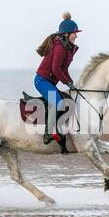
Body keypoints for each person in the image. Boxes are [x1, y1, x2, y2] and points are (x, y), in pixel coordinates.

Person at [34, 11, 80, 150]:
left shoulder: (65, 46)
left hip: (49, 82)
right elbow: (55, 69)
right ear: (66, 34)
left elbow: (63, 69)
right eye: (74, 33)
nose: (76, 35)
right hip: (41, 81)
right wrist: (67, 82)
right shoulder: (59, 47)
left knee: (66, 101)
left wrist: (72, 83)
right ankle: (48, 133)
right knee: (58, 103)